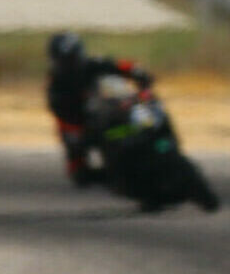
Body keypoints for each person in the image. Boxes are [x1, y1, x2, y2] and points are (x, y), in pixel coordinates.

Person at [44, 31, 152, 187]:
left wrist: (137, 72)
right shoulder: (56, 86)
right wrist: (80, 131)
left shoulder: (92, 64)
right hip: (86, 127)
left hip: (115, 113)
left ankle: (153, 145)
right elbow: (61, 115)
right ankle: (118, 177)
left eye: (74, 58)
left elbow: (119, 66)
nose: (71, 63)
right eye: (66, 61)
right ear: (57, 61)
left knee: (146, 118)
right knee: (79, 174)